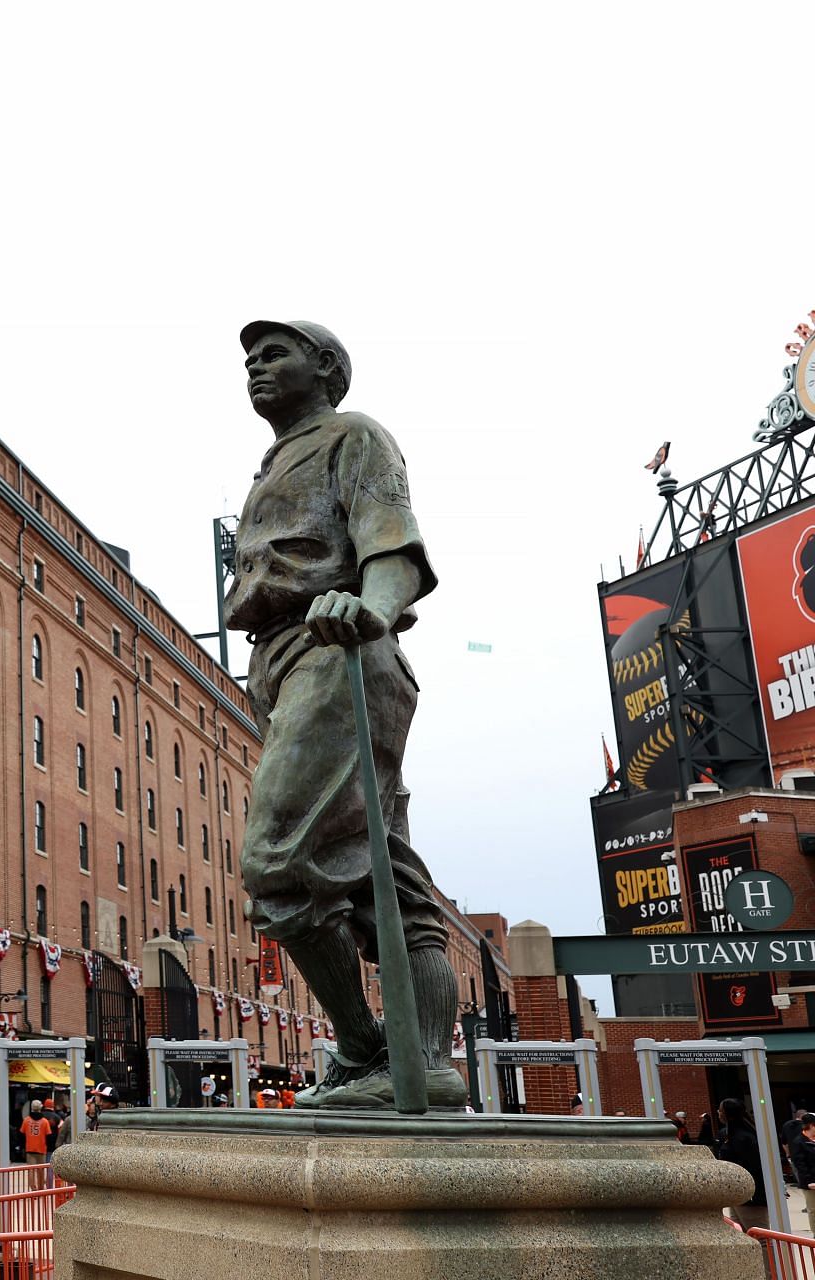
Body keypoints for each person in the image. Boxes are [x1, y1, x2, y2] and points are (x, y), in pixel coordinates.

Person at [226, 321, 461, 1111]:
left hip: (339, 646)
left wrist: (373, 609)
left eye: (274, 353)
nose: (256, 367)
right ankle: (424, 1062)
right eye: (249, 359)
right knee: (376, 871)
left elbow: (392, 546)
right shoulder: (269, 467)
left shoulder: (355, 437)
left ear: (324, 366)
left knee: (275, 861)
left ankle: (367, 1049)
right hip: (284, 660)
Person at [715, 1097, 768, 1229]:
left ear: (728, 1114)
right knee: (742, 1233)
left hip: (750, 1196)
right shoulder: (727, 1134)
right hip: (736, 1193)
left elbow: (753, 1166)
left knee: (759, 1234)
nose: (718, 1112)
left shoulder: (744, 1137)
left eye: (721, 1110)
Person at [19, 1098, 53, 1166]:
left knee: (30, 1171)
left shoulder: (26, 1120)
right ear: (40, 1108)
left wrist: (22, 1147)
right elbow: (49, 1136)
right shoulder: (45, 1121)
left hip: (29, 1149)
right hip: (41, 1149)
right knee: (41, 1172)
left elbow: (22, 1135)